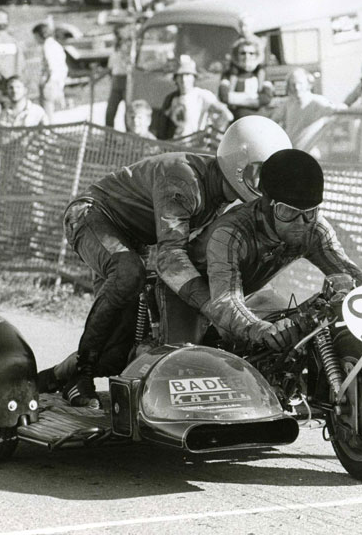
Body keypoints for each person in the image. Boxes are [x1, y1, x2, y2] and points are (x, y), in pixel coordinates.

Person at [44, 116, 292, 406]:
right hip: (92, 215)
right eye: (261, 174)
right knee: (128, 274)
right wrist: (216, 308)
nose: (266, 186)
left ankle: (49, 378)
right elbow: (171, 258)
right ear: (239, 164)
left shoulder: (222, 191)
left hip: (134, 238)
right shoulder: (183, 179)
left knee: (117, 349)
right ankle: (81, 374)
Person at [189, 148, 362, 349]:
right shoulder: (231, 232)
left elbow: (350, 274)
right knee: (185, 359)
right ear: (266, 204)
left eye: (310, 212)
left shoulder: (315, 227)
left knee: (295, 337)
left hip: (250, 291)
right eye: (287, 212)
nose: (300, 223)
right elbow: (225, 300)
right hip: (195, 293)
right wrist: (257, 328)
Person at [157, 55, 232, 141]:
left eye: (188, 75)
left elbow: (227, 114)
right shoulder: (171, 98)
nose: (184, 80)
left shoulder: (202, 95)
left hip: (194, 146)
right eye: (180, 76)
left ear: (194, 77)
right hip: (175, 145)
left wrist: (215, 134)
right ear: (175, 79)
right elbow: (162, 127)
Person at [271, 67, 338, 146]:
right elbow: (272, 122)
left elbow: (336, 112)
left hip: (311, 152)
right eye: (293, 84)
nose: (296, 87)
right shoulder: (287, 104)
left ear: (308, 84)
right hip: (292, 151)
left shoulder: (318, 101)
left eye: (300, 83)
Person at [218, 36, 273, 121]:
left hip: (258, 120)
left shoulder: (261, 73)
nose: (247, 56)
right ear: (236, 55)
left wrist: (234, 98)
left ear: (257, 55)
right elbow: (224, 96)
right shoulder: (229, 73)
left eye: (251, 53)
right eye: (243, 53)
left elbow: (266, 98)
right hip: (235, 121)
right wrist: (253, 98)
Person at [33, 22, 68, 124]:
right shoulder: (56, 45)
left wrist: (46, 81)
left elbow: (51, 66)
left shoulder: (47, 46)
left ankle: (48, 134)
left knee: (47, 113)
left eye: (35, 36)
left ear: (41, 35)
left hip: (50, 82)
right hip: (57, 81)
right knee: (51, 111)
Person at [104, 26, 131, 129]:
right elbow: (110, 66)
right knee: (110, 112)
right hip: (116, 80)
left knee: (128, 112)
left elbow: (129, 63)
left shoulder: (127, 47)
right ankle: (109, 138)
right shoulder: (114, 49)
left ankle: (130, 137)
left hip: (125, 79)